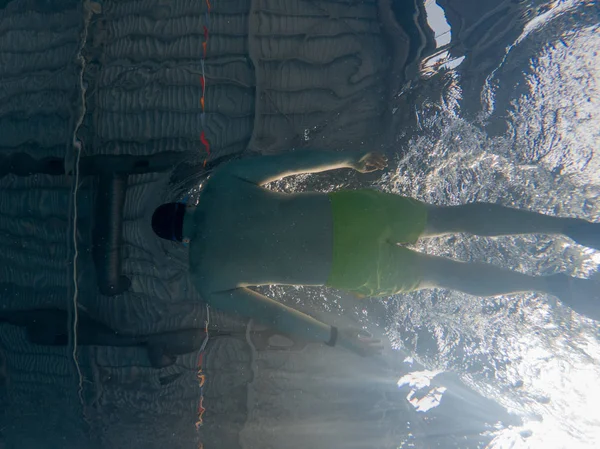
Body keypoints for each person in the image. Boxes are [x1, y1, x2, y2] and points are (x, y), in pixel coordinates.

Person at [152, 150, 600, 356]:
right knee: (451, 219)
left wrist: (335, 337)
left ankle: (548, 286)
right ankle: (569, 226)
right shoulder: (221, 186)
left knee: (446, 276)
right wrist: (349, 158)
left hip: (351, 268)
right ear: (186, 205)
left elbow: (277, 315)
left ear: (180, 241)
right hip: (354, 214)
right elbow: (289, 163)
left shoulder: (207, 280)